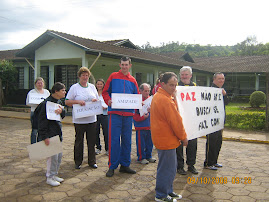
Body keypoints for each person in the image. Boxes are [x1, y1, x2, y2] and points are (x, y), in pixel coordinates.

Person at [151, 72, 188, 202]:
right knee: (167, 168)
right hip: (166, 140)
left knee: (170, 168)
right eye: (171, 85)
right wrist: (183, 137)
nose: (174, 88)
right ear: (163, 84)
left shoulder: (161, 96)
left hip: (165, 139)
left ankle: (168, 191)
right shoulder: (165, 100)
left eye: (175, 85)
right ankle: (161, 195)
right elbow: (176, 122)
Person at [102, 56, 139, 177]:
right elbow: (105, 91)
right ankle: (112, 166)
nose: (124, 67)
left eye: (126, 65)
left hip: (128, 115)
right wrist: (108, 100)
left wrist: (140, 103)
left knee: (127, 141)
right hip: (115, 114)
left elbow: (137, 95)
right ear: (119, 65)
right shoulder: (113, 76)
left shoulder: (133, 80)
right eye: (122, 64)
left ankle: (125, 165)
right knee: (114, 140)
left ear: (130, 66)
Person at [65, 67, 99, 170]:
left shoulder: (92, 87)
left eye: (87, 75)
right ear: (79, 76)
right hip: (79, 119)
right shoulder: (74, 88)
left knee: (91, 141)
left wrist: (94, 100)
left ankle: (92, 161)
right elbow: (67, 101)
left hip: (91, 119)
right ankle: (78, 162)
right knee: (79, 141)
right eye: (83, 75)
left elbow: (97, 99)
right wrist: (77, 102)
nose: (85, 77)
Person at [36, 82, 66, 187]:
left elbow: (63, 114)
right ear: (56, 91)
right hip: (50, 134)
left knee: (58, 156)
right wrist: (44, 136)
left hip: (57, 132)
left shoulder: (59, 101)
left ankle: (54, 174)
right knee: (52, 157)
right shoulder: (46, 104)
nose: (65, 92)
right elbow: (41, 121)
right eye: (62, 90)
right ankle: (49, 177)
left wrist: (62, 110)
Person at [176, 66, 198, 175]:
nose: (184, 76)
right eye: (182, 75)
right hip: (179, 120)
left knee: (192, 144)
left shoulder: (195, 87)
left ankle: (191, 165)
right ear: (180, 76)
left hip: (192, 120)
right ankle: (179, 166)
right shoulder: (175, 86)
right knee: (178, 145)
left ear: (190, 75)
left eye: (186, 74)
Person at [204, 72, 228, 170]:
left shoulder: (221, 91)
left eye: (222, 79)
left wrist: (225, 95)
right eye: (219, 79)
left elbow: (226, 103)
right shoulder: (210, 90)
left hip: (219, 121)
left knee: (218, 142)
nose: (221, 80)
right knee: (211, 142)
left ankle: (214, 161)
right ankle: (208, 163)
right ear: (214, 80)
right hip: (211, 122)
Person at [133, 83, 156, 164]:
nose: (147, 93)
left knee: (150, 142)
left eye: (148, 91)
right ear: (141, 91)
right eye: (145, 91)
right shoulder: (137, 100)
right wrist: (143, 117)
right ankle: (141, 157)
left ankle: (148, 156)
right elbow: (134, 115)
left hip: (150, 126)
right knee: (141, 143)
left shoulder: (151, 99)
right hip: (140, 126)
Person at [26, 77, 50, 144]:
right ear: (35, 84)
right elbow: (27, 103)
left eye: (41, 83)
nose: (40, 84)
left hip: (43, 113)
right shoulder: (32, 92)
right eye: (38, 83)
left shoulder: (47, 92)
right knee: (34, 130)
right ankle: (33, 146)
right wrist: (36, 103)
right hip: (35, 112)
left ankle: (40, 146)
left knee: (41, 130)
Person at [95, 79, 109, 156]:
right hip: (96, 114)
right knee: (96, 131)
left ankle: (107, 149)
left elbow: (109, 102)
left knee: (106, 132)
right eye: (98, 84)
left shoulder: (106, 93)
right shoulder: (94, 93)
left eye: (101, 84)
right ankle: (98, 147)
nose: (99, 85)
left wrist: (105, 107)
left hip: (105, 114)